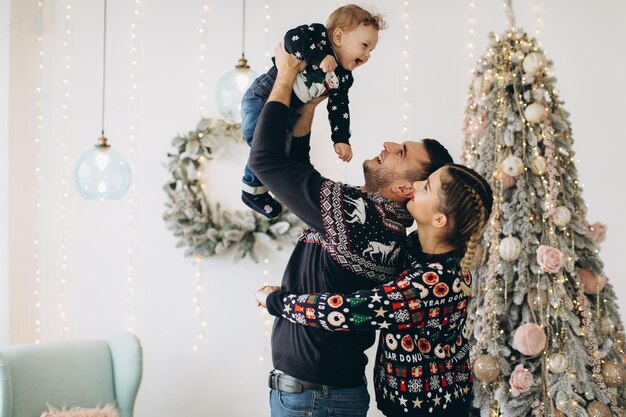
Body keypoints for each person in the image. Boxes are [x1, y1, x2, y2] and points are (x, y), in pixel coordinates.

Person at [248, 44, 454, 417]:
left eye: (402, 153)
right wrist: (310, 108)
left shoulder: (352, 214)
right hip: (321, 396)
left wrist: (285, 76)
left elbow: (265, 160)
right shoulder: (376, 219)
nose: (390, 145)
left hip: (312, 401)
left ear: (406, 190)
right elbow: (299, 170)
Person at [257, 163, 494, 417]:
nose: (415, 186)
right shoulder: (414, 249)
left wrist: (276, 301)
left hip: (431, 410)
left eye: (426, 187)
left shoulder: (435, 283)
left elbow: (346, 312)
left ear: (439, 219)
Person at [241, 4, 386, 219]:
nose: (367, 55)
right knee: (263, 144)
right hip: (264, 96)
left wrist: (341, 139)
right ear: (338, 36)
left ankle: (257, 190)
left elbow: (339, 108)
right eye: (364, 45)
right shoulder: (318, 37)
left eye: (371, 50)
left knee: (281, 153)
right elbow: (291, 39)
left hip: (289, 113)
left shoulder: (343, 77)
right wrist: (318, 57)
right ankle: (251, 190)